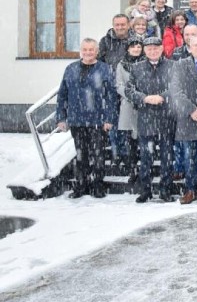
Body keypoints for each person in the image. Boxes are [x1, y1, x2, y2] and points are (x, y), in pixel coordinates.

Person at [56, 38, 118, 198]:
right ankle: (81, 186)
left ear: (97, 51)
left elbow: (112, 96)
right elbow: (62, 94)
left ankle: (97, 185)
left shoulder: (104, 69)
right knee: (80, 155)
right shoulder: (70, 69)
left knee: (98, 155)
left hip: (98, 120)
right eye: (85, 49)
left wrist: (109, 118)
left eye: (91, 49)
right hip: (76, 119)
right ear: (81, 51)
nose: (88, 52)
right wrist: (61, 117)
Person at [126, 36, 176, 203]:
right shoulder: (136, 68)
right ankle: (145, 190)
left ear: (162, 49)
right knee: (146, 157)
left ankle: (165, 190)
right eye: (149, 49)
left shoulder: (172, 66)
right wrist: (145, 98)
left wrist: (162, 97)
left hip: (166, 117)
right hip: (146, 117)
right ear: (144, 51)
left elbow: (177, 87)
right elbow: (129, 90)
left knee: (166, 157)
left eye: (156, 48)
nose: (153, 51)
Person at [170, 34, 197, 205]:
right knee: (189, 157)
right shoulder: (180, 65)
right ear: (189, 48)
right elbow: (175, 90)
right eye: (196, 45)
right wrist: (191, 109)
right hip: (188, 118)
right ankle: (190, 190)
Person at [115, 35, 144, 184]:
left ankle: (145, 170)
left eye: (139, 47)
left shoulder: (146, 62)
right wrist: (130, 95)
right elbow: (119, 85)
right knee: (129, 142)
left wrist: (141, 97)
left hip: (144, 105)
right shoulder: (122, 64)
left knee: (144, 140)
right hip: (128, 104)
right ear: (128, 48)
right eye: (133, 47)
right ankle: (133, 169)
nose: (136, 49)